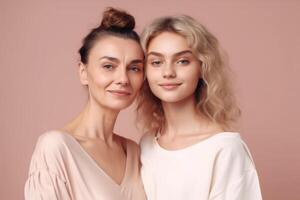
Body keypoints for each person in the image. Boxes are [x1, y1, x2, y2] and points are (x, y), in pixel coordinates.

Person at [25, 8, 146, 200]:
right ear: (83, 72)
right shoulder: (56, 147)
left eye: (134, 68)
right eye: (108, 66)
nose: (123, 78)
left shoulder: (134, 151)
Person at [137, 15, 262, 200]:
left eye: (182, 61)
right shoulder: (147, 144)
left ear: (203, 67)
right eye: (156, 62)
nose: (168, 72)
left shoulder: (225, 149)